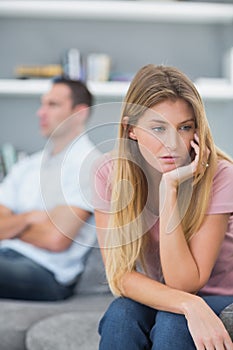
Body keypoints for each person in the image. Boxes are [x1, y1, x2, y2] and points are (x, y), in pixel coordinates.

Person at [93, 64, 233, 349]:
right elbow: (119, 275)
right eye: (158, 128)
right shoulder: (110, 173)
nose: (172, 143)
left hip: (224, 296)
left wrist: (169, 190)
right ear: (131, 129)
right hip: (174, 297)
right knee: (121, 314)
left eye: (185, 127)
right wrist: (189, 305)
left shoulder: (221, 176)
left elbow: (185, 282)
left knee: (174, 323)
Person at [0, 77, 100, 301]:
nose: (40, 113)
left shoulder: (90, 166)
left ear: (80, 113)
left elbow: (55, 240)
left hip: (47, 273)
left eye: (52, 105)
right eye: (43, 103)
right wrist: (28, 218)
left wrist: (11, 224)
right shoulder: (28, 165)